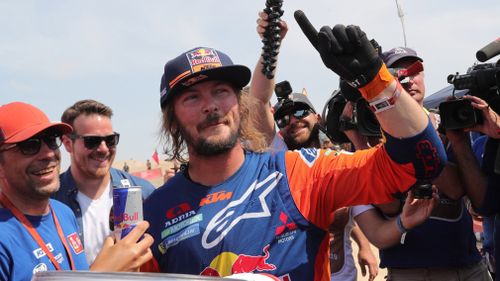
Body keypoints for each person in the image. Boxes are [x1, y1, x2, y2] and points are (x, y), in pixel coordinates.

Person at [141, 20, 447, 281]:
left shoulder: (300, 172)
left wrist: (375, 82)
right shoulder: (153, 212)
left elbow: (420, 161)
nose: (211, 106)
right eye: (192, 97)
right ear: (173, 120)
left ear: (239, 104)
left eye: (221, 91)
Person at [252, 12, 379, 281]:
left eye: (300, 112)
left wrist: (365, 245)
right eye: (283, 118)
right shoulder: (277, 159)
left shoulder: (339, 161)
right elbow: (258, 103)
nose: (292, 121)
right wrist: (271, 45)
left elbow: (355, 213)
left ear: (317, 118)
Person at [348, 47, 491, 280]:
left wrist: (411, 135)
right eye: (398, 73)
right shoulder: (374, 135)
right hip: (409, 270)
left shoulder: (451, 123)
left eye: (414, 70)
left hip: (465, 268)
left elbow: (457, 190)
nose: (408, 79)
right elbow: (386, 207)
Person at [0, 102, 153, 281]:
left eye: (50, 141)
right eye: (30, 145)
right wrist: (101, 274)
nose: (48, 154)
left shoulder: (63, 213)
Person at [53, 99, 156, 265]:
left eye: (110, 140)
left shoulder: (143, 192)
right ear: (67, 144)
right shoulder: (51, 201)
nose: (103, 149)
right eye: (92, 141)